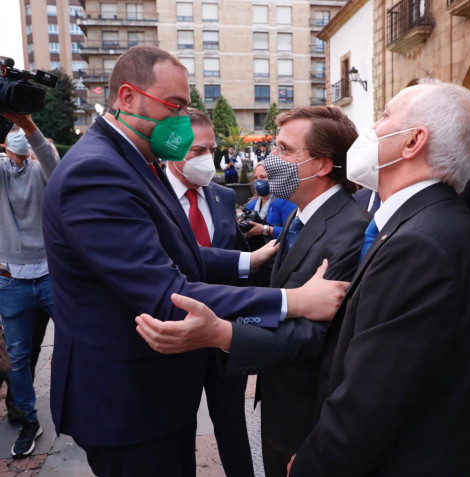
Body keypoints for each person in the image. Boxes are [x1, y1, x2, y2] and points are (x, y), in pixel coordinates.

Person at [136, 81, 470, 476]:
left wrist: (315, 461)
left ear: (413, 141)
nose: (372, 129)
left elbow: (372, 390)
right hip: (291, 410)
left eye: (384, 116)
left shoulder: (419, 244)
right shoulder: (412, 225)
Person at [41, 45, 348, 477]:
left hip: (154, 395)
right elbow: (169, 296)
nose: (183, 122)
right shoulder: (96, 172)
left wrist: (246, 262)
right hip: (127, 404)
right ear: (127, 98)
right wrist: (294, 301)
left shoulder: (135, 159)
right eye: (175, 106)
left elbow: (176, 249)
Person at [248, 106, 369, 476]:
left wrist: (227, 335)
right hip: (283, 402)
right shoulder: (302, 217)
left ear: (321, 165)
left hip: (309, 414)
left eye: (285, 150)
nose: (271, 159)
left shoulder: (350, 228)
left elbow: (321, 335)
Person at [165, 108, 254, 477]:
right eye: (197, 150)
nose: (207, 159)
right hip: (175, 333)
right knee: (175, 429)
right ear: (172, 150)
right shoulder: (151, 197)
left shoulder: (219, 195)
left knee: (232, 424)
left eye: (211, 149)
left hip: (223, 332)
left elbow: (231, 256)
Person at [0, 112, 58, 458]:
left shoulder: (40, 168)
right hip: (11, 280)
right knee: (19, 357)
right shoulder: (3, 172)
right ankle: (27, 419)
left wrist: (30, 123)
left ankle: (85, 405)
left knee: (79, 341)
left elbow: (54, 166)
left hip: (50, 275)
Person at [244, 163, 297, 248]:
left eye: (263, 177)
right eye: (255, 178)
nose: (258, 181)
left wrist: (266, 230)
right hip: (255, 254)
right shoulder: (251, 205)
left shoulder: (286, 202)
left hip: (277, 255)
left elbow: (294, 232)